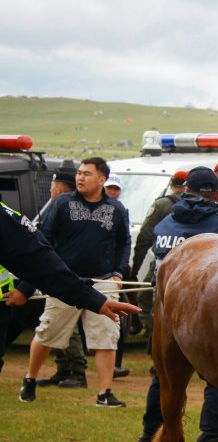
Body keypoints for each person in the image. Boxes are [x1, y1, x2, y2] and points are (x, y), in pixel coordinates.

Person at [130, 167, 218, 442]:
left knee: (163, 376)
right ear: (217, 194)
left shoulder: (165, 223)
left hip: (166, 312)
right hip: (207, 316)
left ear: (185, 190)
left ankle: (149, 434)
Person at [18, 157, 132, 407]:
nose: (80, 178)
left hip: (102, 282)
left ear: (102, 180)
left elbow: (124, 242)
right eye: (79, 173)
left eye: (87, 174)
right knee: (47, 333)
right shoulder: (61, 204)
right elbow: (44, 239)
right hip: (64, 281)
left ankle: (105, 393)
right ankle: (30, 379)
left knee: (106, 337)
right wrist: (47, 273)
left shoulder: (117, 209)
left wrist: (118, 273)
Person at [0, 204, 139, 344]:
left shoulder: (116, 208)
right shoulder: (63, 204)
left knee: (102, 341)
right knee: (48, 337)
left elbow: (40, 261)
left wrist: (95, 298)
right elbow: (41, 256)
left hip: (86, 284)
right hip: (69, 287)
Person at [22, 164, 90, 388]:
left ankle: (77, 370)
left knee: (64, 324)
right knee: (57, 322)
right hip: (54, 270)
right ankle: (63, 368)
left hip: (61, 271)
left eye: (52, 186)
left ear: (59, 188)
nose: (51, 190)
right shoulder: (58, 206)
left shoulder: (61, 206)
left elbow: (47, 240)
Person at [130, 170, 187, 338]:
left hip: (163, 261)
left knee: (147, 297)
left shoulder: (162, 204)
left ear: (171, 184)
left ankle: (154, 336)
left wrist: (135, 270)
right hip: (192, 263)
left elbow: (145, 236)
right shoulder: (204, 206)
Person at [103, 173, 132, 379]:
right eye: (109, 188)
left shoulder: (121, 210)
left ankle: (115, 365)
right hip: (96, 271)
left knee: (119, 319)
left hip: (115, 271)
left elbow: (125, 241)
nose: (112, 192)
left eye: (116, 189)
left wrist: (119, 271)